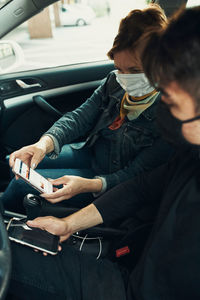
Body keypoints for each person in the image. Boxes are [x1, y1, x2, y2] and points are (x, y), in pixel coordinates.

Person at [5, 5, 200, 300]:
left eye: (173, 95)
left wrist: (93, 185)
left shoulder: (172, 132)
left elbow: (133, 177)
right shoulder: (189, 156)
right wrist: (68, 223)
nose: (166, 96)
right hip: (128, 271)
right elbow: (141, 187)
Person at [1, 4, 172, 214]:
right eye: (119, 68)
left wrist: (90, 185)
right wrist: (42, 145)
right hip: (91, 153)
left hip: (112, 185)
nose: (125, 78)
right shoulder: (113, 82)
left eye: (134, 70)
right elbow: (79, 117)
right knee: (16, 162)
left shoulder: (173, 113)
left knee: (20, 185)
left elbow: (138, 176)